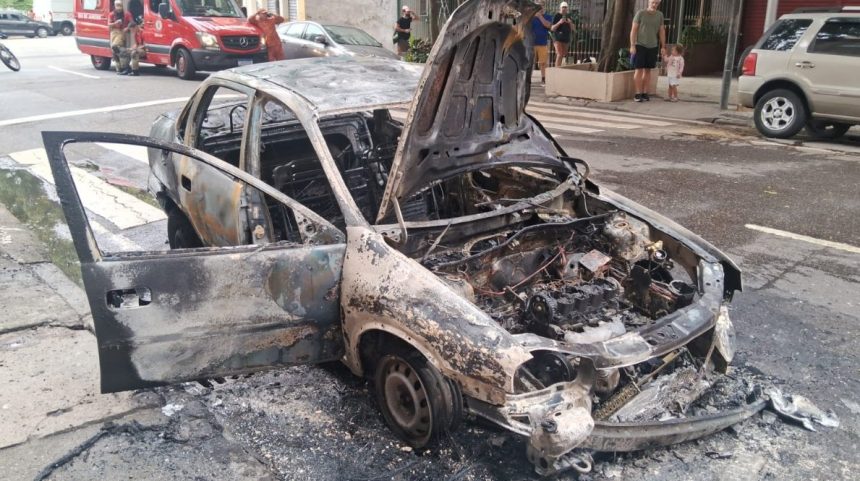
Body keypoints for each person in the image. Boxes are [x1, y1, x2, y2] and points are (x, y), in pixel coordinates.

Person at [630, 0, 666, 102]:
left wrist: (663, 46)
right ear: (649, 2)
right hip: (640, 45)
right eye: (653, 2)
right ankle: (637, 93)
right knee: (639, 69)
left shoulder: (660, 15)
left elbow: (662, 31)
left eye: (657, 3)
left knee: (648, 70)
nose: (654, 5)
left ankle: (645, 93)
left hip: (653, 46)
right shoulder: (640, 13)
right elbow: (633, 30)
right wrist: (632, 45)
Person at [108, 1, 133, 75]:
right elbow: (109, 24)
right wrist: (115, 23)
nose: (118, 8)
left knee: (115, 46)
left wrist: (127, 28)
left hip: (121, 32)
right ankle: (123, 68)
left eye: (120, 6)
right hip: (113, 33)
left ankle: (126, 67)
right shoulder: (112, 14)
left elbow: (132, 22)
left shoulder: (127, 14)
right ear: (114, 6)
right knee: (117, 51)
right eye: (117, 6)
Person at [531, 1, 553, 84]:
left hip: (542, 43)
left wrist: (540, 16)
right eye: (538, 5)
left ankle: (543, 78)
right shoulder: (532, 17)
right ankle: (528, 78)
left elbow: (548, 25)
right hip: (532, 43)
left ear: (544, 6)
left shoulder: (548, 16)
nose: (540, 7)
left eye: (541, 5)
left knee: (543, 63)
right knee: (530, 62)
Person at [550, 2, 573, 67]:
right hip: (557, 38)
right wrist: (559, 22)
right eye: (563, 7)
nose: (564, 9)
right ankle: (557, 70)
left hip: (566, 38)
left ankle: (559, 67)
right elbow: (552, 28)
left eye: (565, 7)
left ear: (567, 9)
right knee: (559, 54)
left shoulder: (569, 16)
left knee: (563, 54)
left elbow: (573, 29)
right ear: (560, 8)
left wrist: (570, 23)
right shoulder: (557, 15)